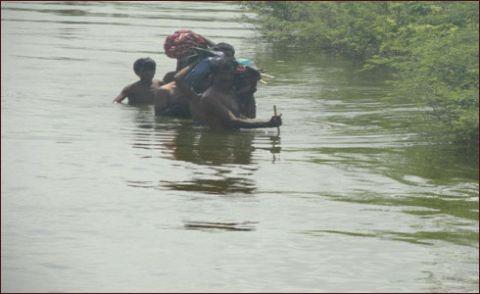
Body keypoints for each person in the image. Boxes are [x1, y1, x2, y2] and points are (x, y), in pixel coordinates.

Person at [197, 59, 282, 130]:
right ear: (213, 75)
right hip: (218, 143)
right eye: (223, 73)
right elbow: (233, 121)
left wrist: (251, 89)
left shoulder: (231, 93)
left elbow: (248, 118)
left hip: (232, 139)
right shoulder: (209, 97)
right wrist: (268, 123)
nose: (227, 77)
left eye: (230, 73)